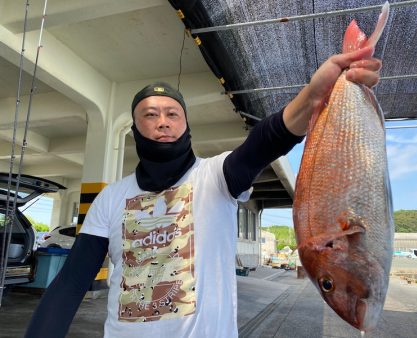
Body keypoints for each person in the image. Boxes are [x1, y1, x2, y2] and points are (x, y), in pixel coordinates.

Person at [25, 46, 381, 338]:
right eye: (149, 114)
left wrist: (314, 94)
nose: (162, 121)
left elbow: (265, 142)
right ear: (136, 128)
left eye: (172, 113)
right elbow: (71, 282)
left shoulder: (216, 178)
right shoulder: (111, 198)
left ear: (185, 125)